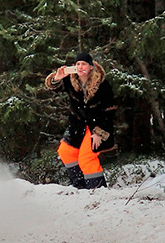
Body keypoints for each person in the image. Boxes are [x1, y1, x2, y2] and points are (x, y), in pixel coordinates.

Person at [45, 52, 116, 189]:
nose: (80, 67)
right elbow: (54, 87)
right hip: (77, 126)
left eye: (83, 64)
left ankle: (98, 190)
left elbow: (109, 111)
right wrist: (57, 78)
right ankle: (80, 187)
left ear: (91, 67)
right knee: (65, 152)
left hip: (98, 126)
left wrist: (99, 133)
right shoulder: (71, 80)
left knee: (86, 158)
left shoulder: (103, 85)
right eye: (77, 64)